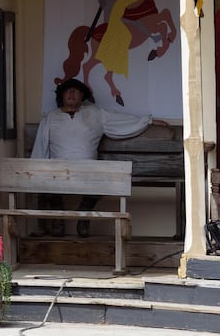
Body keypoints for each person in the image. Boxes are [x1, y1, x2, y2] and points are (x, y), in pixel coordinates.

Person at [31, 78, 156, 236]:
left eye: (76, 91)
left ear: (82, 96)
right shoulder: (50, 118)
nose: (71, 94)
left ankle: (85, 213)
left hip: (89, 170)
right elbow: (40, 148)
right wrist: (35, 172)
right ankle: (58, 216)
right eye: (68, 91)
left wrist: (148, 121)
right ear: (61, 95)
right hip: (58, 171)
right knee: (44, 178)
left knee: (104, 177)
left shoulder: (95, 113)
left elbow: (121, 121)